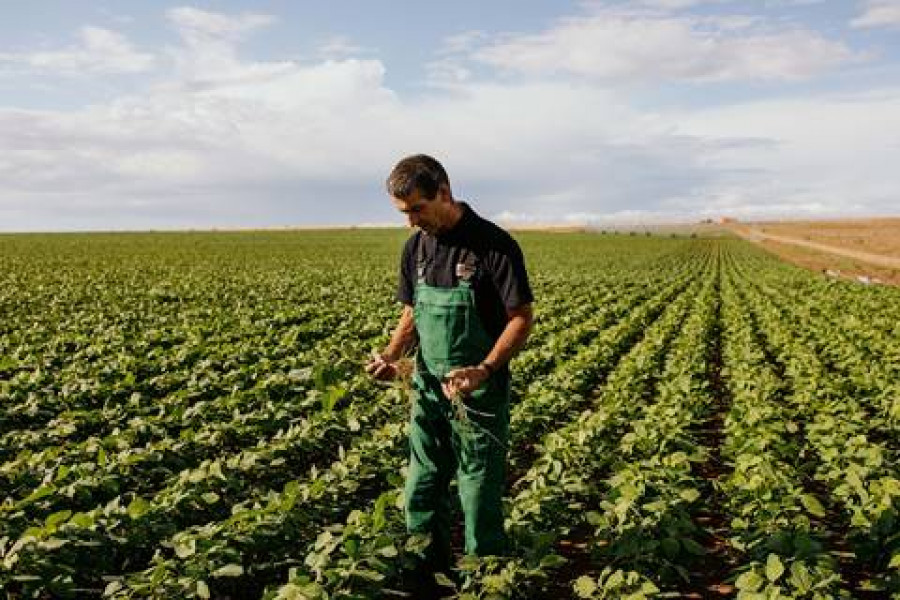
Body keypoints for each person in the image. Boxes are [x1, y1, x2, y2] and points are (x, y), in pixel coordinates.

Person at [365, 154, 534, 583]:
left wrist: (485, 368)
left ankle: (484, 581)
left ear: (443, 192)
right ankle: (426, 576)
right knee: (421, 487)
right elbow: (412, 311)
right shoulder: (416, 247)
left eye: (417, 209)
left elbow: (520, 317)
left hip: (476, 394)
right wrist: (391, 355)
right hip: (426, 386)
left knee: (478, 494)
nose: (411, 222)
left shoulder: (494, 245)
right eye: (404, 213)